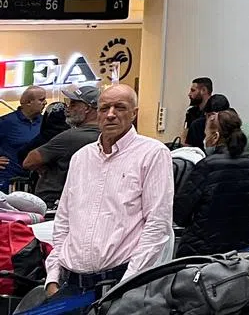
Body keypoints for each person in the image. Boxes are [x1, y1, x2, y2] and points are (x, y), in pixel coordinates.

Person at [46, 85, 173, 298]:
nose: (111, 114)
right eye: (104, 108)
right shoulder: (81, 158)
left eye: (120, 107)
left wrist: (127, 284)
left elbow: (157, 224)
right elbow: (63, 220)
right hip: (71, 284)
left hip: (120, 282)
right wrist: (52, 277)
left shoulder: (152, 154)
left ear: (134, 113)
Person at [174, 109, 249, 255]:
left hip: (201, 248)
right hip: (238, 247)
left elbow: (180, 213)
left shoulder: (207, 165)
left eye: (206, 134)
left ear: (215, 136)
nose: (204, 139)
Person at [23, 83, 101, 206]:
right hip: (82, 201)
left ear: (87, 108)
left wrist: (43, 165)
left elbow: (29, 161)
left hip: (53, 201)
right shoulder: (105, 137)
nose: (68, 108)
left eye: (74, 104)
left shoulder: (71, 137)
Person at [0, 86, 46, 191]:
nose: (45, 103)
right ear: (28, 102)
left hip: (37, 181)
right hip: (8, 181)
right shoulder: (6, 122)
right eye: (41, 100)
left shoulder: (46, 123)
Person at [180, 77, 212, 144]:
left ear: (203, 90)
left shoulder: (215, 111)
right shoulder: (191, 112)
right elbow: (184, 138)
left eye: (193, 90)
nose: (189, 94)